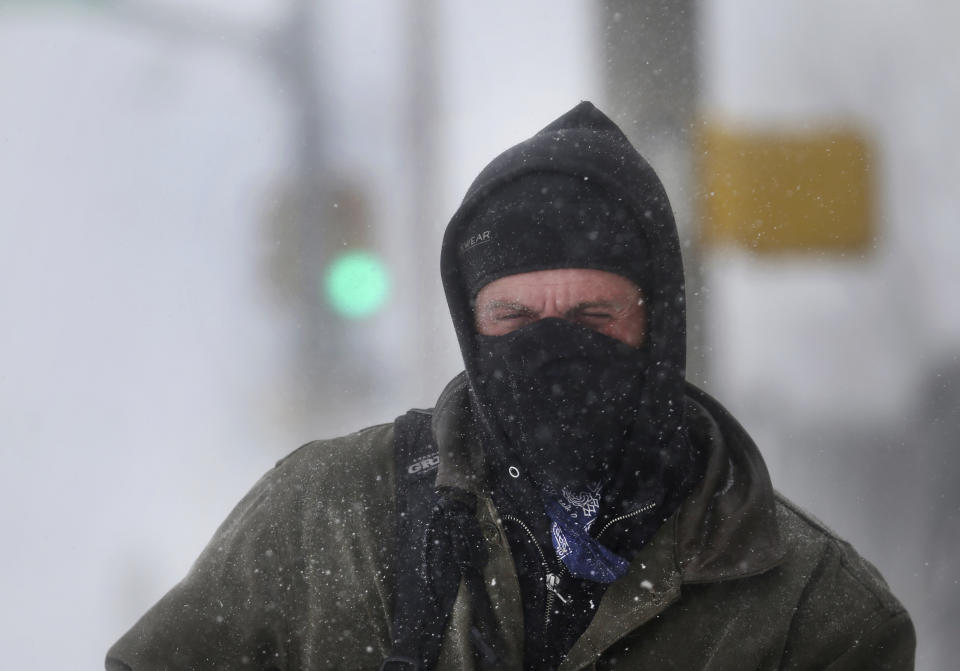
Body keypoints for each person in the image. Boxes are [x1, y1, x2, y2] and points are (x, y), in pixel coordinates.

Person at [106, 102, 915, 670]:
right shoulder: (325, 521)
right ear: (470, 323)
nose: (554, 350)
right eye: (515, 314)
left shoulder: (809, 611)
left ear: (659, 325)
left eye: (594, 313)